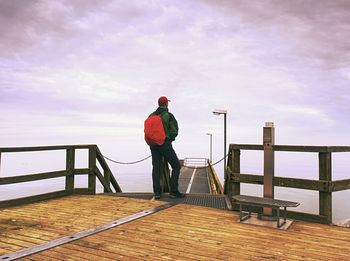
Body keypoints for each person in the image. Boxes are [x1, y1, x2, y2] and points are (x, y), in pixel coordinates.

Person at [149, 96, 184, 200]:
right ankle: (173, 192)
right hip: (164, 144)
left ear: (158, 103)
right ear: (166, 104)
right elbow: (174, 130)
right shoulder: (168, 115)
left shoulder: (151, 115)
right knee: (176, 166)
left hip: (153, 145)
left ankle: (157, 193)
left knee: (156, 168)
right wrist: (169, 139)